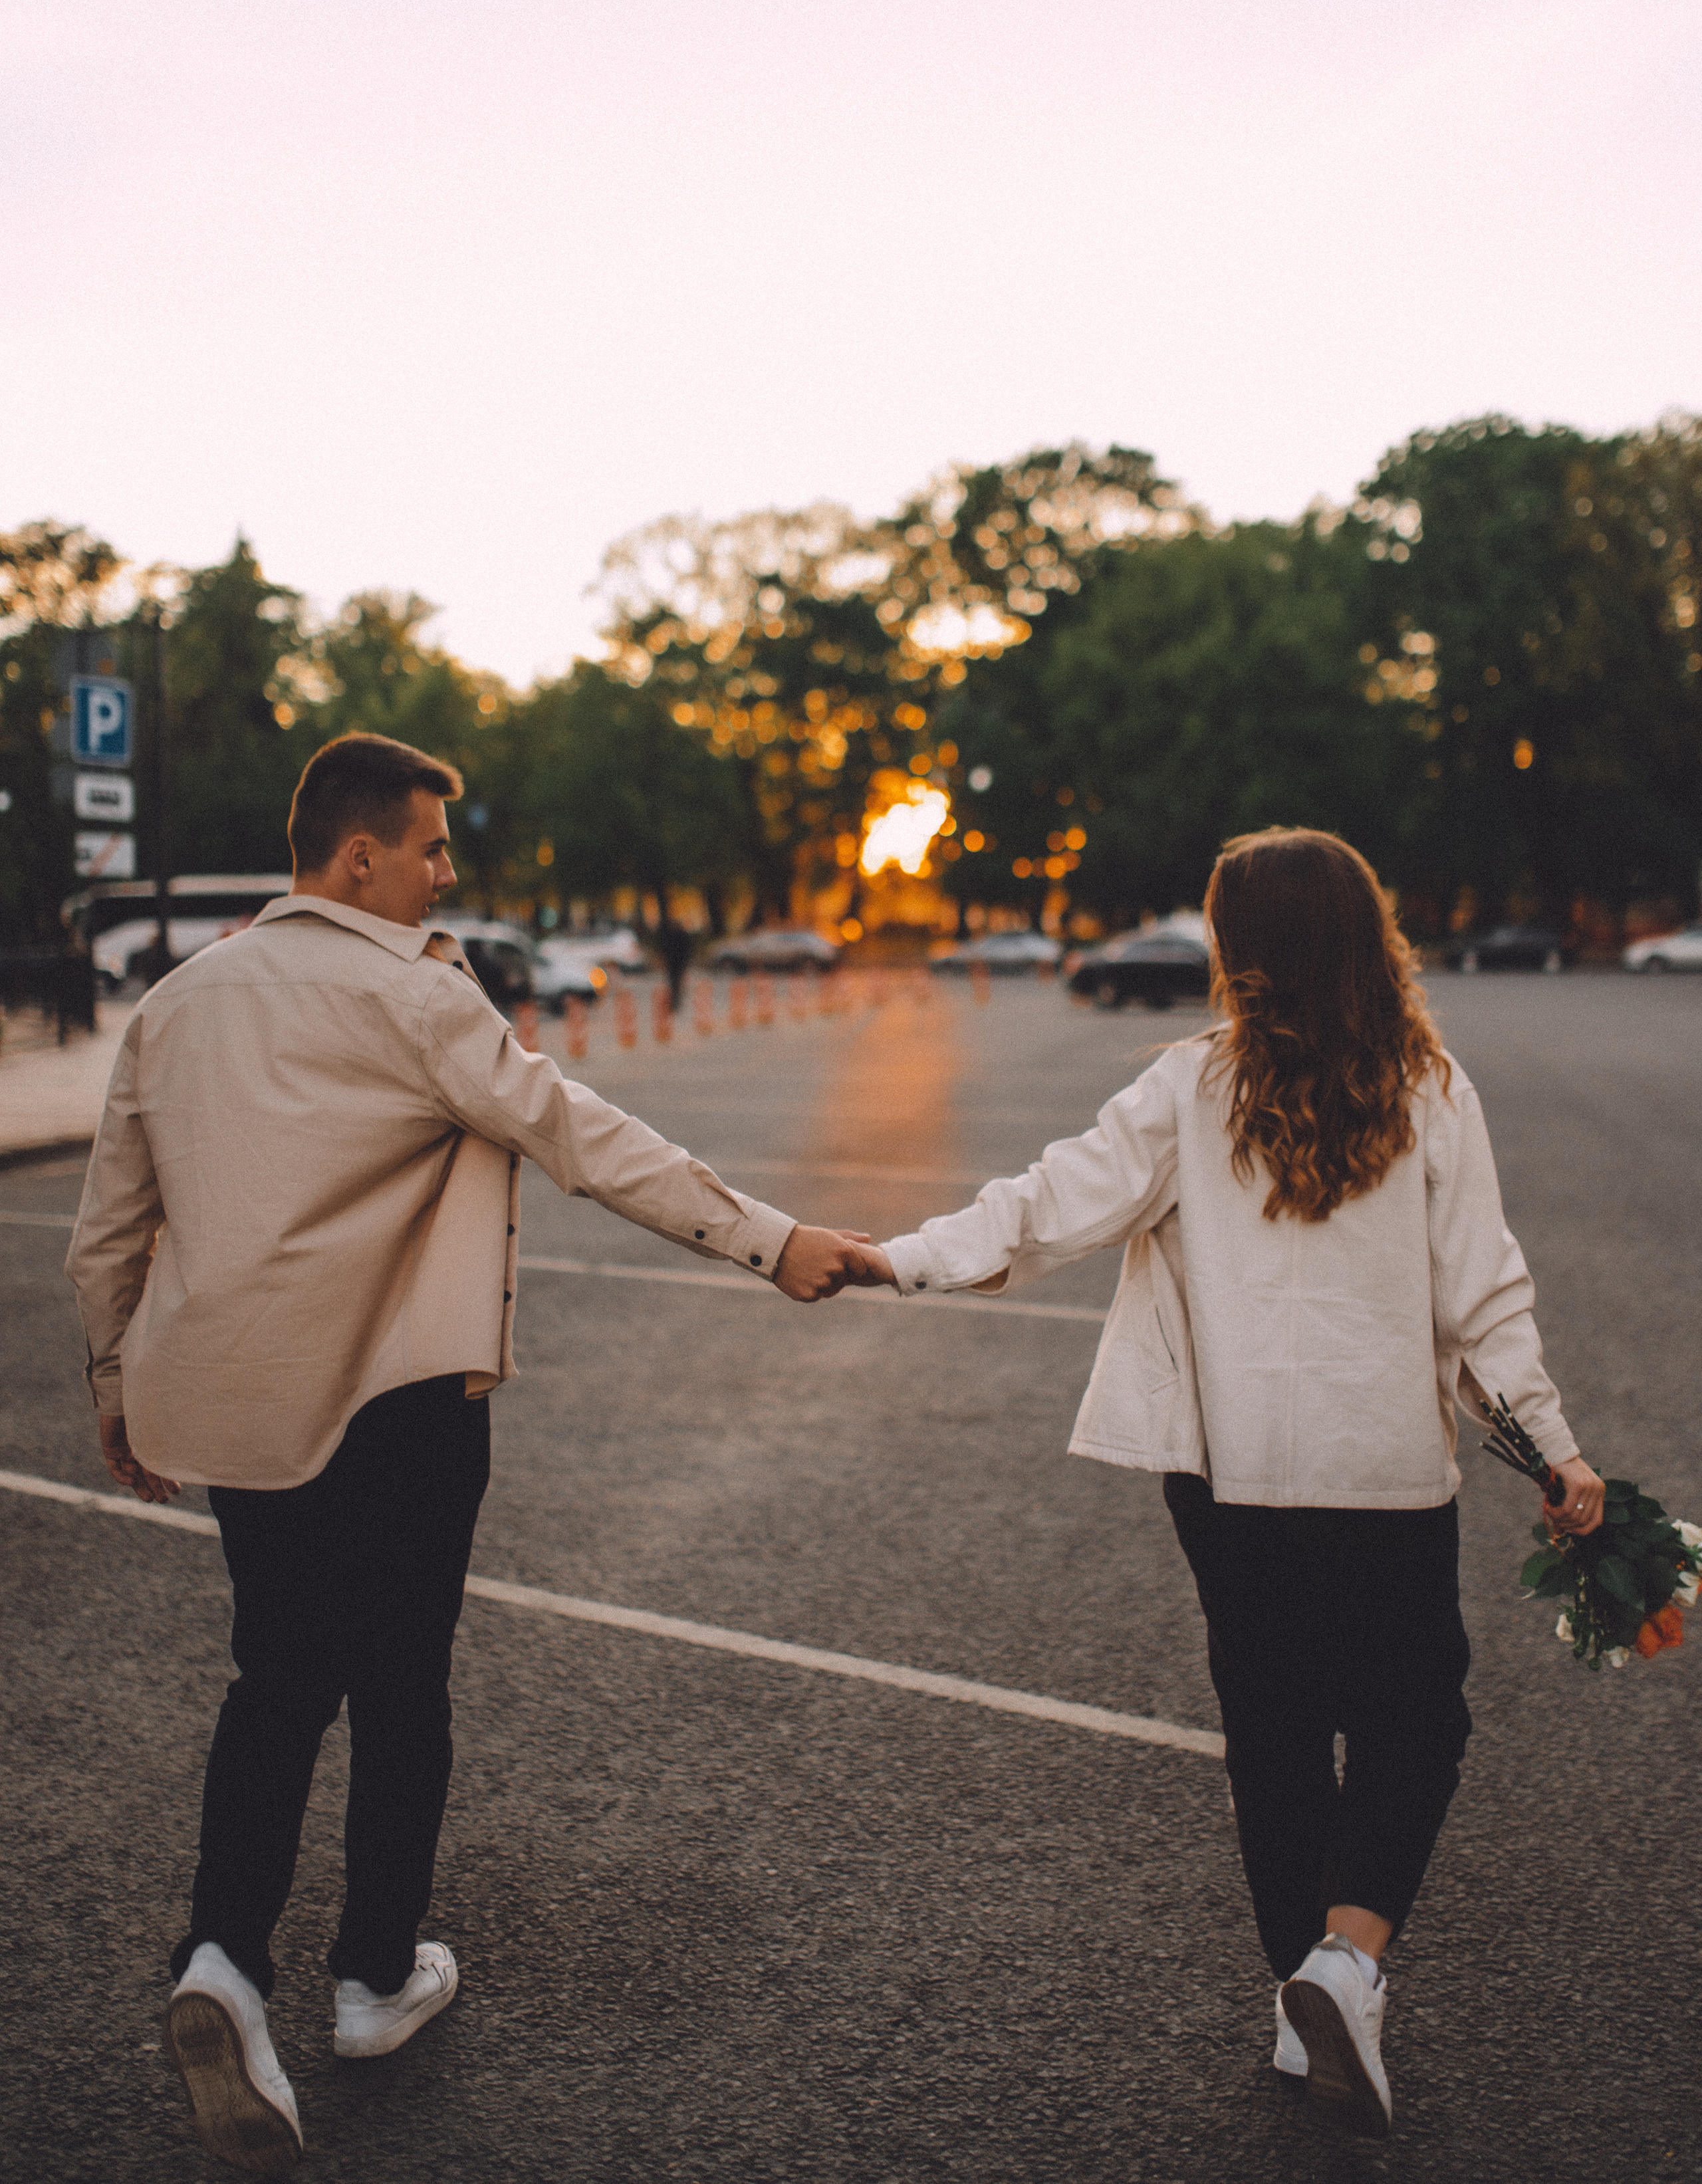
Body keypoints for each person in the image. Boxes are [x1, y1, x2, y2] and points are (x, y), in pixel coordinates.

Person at [68, 732, 882, 2176]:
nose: (448, 872)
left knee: (274, 1677)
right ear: (359, 854)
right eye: (433, 848)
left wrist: (112, 1382)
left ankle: (222, 1962)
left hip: (239, 1399)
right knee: (397, 1685)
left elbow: (110, 1219)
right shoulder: (415, 992)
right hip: (396, 1400)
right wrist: (769, 1240)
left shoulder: (180, 999)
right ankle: (375, 1980)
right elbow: (581, 1134)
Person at [867, 828, 1603, 2140]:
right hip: (1384, 1475)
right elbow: (1483, 1298)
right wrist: (1550, 1448)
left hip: (1230, 1476)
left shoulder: (1183, 1088)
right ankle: (1346, 1961)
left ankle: (1300, 1995)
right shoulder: (1428, 1089)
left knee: (1272, 1731)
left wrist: (897, 1259)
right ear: (1366, 935)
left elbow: (1042, 1209)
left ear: (1237, 952)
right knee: (1411, 1720)